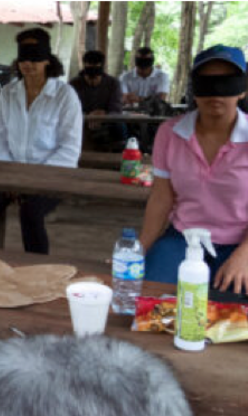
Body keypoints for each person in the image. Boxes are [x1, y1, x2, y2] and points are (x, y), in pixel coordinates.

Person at [140, 45, 248, 293]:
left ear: (242, 89)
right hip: (183, 237)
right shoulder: (170, 133)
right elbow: (161, 197)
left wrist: (245, 254)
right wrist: (140, 248)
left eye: (226, 82)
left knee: (231, 311)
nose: (216, 92)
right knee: (151, 297)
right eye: (206, 83)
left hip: (239, 241)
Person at [0, 28, 82, 254]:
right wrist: (12, 176)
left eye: (35, 57)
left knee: (31, 212)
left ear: (47, 59)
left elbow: (69, 148)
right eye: (23, 57)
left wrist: (32, 180)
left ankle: (38, 269)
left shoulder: (65, 96)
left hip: (51, 175)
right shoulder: (8, 93)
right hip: (9, 172)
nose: (28, 63)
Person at [69, 50, 126, 151]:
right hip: (81, 120)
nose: (93, 81)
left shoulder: (113, 83)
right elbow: (70, 109)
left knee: (120, 126)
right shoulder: (74, 84)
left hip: (107, 121)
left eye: (96, 76)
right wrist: (88, 116)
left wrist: (103, 114)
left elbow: (116, 108)